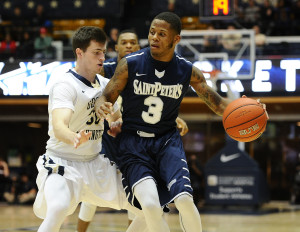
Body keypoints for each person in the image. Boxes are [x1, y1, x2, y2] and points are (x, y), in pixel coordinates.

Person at [95, 12, 267, 232]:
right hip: (134, 143)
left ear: (176, 39)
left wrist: (254, 111)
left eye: (162, 34)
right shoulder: (130, 64)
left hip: (167, 143)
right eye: (152, 32)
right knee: (150, 206)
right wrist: (102, 104)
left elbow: (219, 105)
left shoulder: (187, 70)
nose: (155, 37)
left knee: (185, 200)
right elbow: (106, 95)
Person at [33, 26, 146, 232]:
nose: (102, 56)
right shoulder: (64, 84)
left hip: (95, 164)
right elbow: (59, 126)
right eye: (96, 52)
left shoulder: (105, 84)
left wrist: (116, 125)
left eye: (103, 51)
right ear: (80, 52)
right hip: (62, 162)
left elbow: (116, 118)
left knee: (150, 204)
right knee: (58, 208)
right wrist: (73, 137)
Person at [77, 29, 189, 232]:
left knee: (137, 199)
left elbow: (155, 103)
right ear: (116, 47)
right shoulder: (106, 69)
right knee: (91, 198)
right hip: (108, 140)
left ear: (139, 47)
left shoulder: (144, 68)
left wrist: (173, 118)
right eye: (124, 42)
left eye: (133, 42)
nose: (129, 46)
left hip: (135, 141)